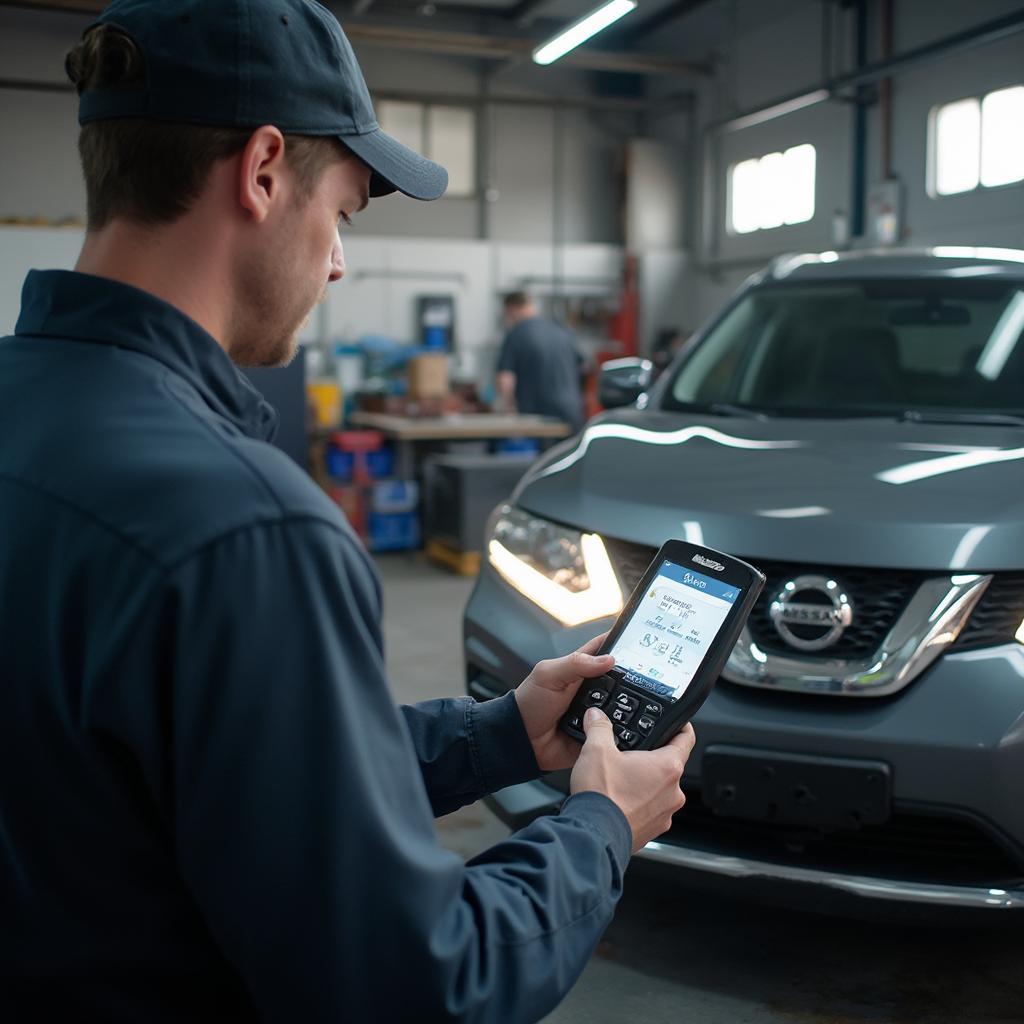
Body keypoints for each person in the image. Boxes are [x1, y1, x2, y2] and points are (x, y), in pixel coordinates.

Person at [0, 2, 695, 1020]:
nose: (334, 263)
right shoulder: (247, 529)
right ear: (263, 170)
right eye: (344, 216)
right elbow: (413, 984)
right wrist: (599, 824)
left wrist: (497, 736)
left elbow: (209, 776)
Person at [496, 291, 586, 432]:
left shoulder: (516, 335)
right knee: (569, 452)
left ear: (511, 309)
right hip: (570, 411)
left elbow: (506, 378)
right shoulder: (562, 331)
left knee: (543, 454)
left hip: (537, 417)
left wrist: (508, 407)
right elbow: (583, 366)